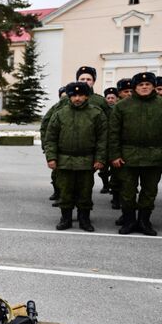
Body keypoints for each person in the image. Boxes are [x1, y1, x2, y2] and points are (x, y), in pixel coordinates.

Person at [45, 82, 107, 232]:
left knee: (85, 191)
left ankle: (84, 219)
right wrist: (51, 157)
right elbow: (51, 138)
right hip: (64, 160)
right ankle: (65, 218)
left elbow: (102, 139)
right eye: (74, 95)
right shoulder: (60, 114)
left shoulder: (96, 114)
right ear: (70, 97)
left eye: (80, 95)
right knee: (65, 191)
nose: (77, 98)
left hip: (87, 161)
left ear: (87, 96)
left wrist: (100, 159)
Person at [108, 72, 162, 235]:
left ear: (153, 86)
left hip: (155, 157)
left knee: (149, 191)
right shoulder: (122, 106)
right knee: (127, 191)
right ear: (135, 87)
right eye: (140, 85)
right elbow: (113, 133)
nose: (144, 87)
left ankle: (144, 221)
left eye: (148, 84)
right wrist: (115, 155)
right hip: (127, 157)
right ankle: (129, 221)